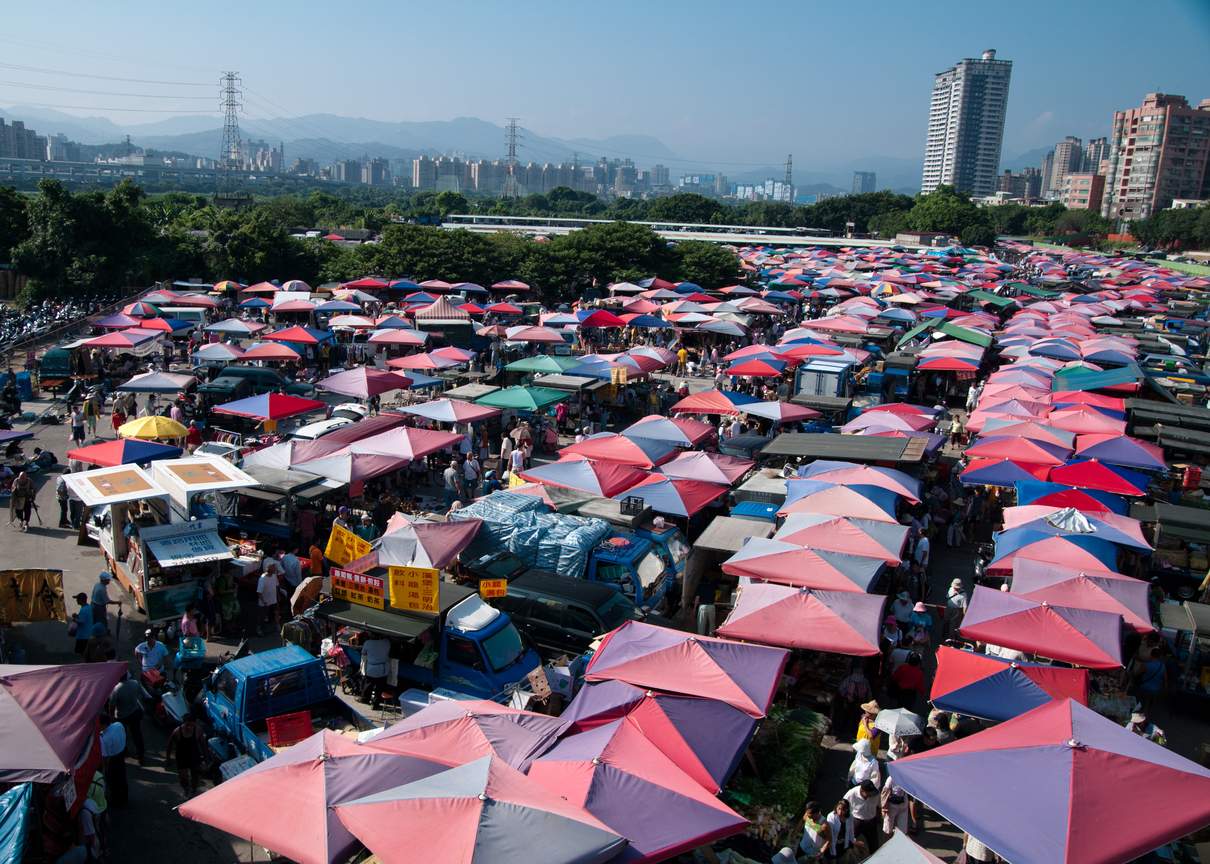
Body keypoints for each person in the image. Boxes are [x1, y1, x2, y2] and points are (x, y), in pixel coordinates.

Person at [165, 713, 208, 798]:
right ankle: (186, 788)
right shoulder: (177, 732)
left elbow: (203, 743)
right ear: (183, 723)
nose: (189, 727)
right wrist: (168, 758)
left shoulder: (198, 730)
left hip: (194, 755)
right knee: (183, 779)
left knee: (195, 775)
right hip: (182, 757)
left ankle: (194, 790)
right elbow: (169, 745)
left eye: (191, 725)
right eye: (187, 725)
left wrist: (206, 757)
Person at [110, 669, 145, 764]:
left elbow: (112, 706)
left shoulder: (116, 689)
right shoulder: (134, 683)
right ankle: (140, 755)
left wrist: (112, 717)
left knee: (122, 734)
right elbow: (139, 693)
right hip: (134, 712)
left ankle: (123, 750)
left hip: (121, 715)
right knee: (137, 734)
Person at [99, 714, 128, 807]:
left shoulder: (106, 739)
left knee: (113, 782)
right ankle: (125, 796)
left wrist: (106, 768)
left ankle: (117, 800)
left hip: (113, 759)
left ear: (103, 725)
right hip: (121, 754)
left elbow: (107, 756)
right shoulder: (119, 725)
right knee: (122, 777)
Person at [844, 781, 880, 853]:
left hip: (871, 822)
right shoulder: (852, 793)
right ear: (862, 790)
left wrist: (880, 817)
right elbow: (843, 805)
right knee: (848, 841)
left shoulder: (876, 794)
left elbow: (879, 805)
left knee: (875, 847)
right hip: (857, 821)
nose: (871, 795)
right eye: (868, 793)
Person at [359, 632, 391, 709]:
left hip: (372, 669)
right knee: (379, 688)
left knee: (368, 685)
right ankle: (375, 704)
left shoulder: (368, 643)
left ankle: (365, 699)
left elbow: (363, 653)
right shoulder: (386, 642)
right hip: (383, 669)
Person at [1134, 648, 1166, 714]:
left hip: (1144, 688)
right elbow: (1165, 678)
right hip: (1155, 689)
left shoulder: (1146, 665)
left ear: (1150, 654)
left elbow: (1136, 674)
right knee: (1147, 706)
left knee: (1142, 708)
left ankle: (1145, 722)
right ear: (1160, 656)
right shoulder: (1162, 666)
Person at [257, 561, 281, 635]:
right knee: (262, 615)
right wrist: (264, 601)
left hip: (273, 599)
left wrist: (277, 595)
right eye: (274, 569)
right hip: (265, 601)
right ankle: (258, 629)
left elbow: (276, 586)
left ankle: (279, 629)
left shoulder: (274, 576)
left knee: (276, 613)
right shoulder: (262, 579)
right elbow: (259, 592)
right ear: (271, 570)